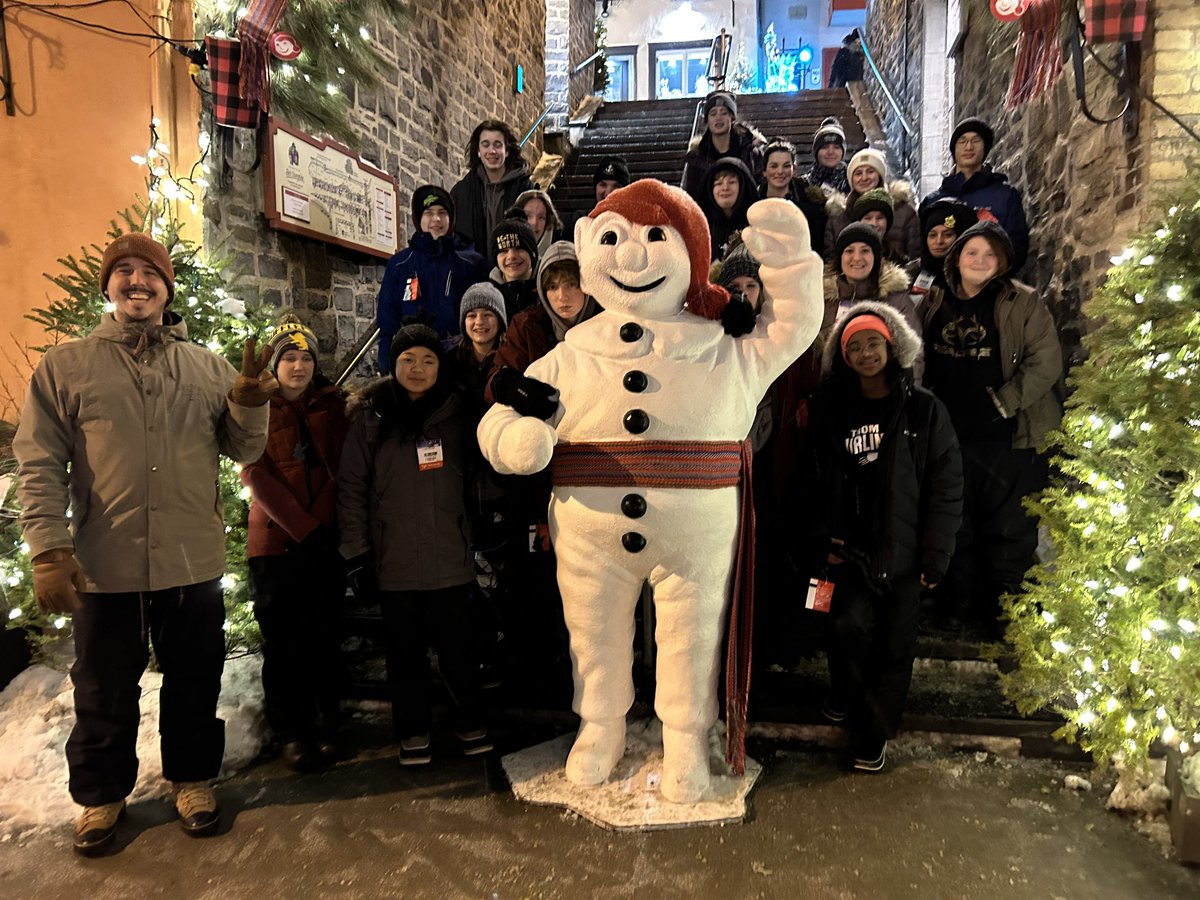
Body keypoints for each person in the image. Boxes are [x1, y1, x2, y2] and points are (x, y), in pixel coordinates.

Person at [13, 232, 273, 855]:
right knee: (102, 687)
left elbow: (244, 449)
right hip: (105, 564)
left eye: (150, 273)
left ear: (167, 289)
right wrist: (48, 549)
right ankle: (100, 795)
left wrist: (249, 405)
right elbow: (39, 461)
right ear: (108, 285)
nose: (138, 282)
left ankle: (193, 780)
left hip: (191, 559)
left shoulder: (207, 368)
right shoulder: (66, 366)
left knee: (194, 679)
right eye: (124, 271)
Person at [805, 302, 962, 771]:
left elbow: (946, 485)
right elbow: (812, 481)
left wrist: (936, 555)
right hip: (848, 552)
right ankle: (845, 693)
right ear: (843, 357)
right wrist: (821, 539)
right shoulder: (830, 409)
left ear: (892, 346)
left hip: (903, 553)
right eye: (854, 346)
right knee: (844, 628)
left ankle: (872, 734)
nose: (865, 353)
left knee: (894, 648)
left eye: (873, 342)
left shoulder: (924, 410)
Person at [338, 324, 492, 765]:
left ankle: (469, 722)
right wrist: (356, 553)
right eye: (408, 360)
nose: (418, 368)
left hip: (449, 554)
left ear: (440, 366)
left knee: (458, 649)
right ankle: (413, 729)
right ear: (394, 364)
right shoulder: (371, 419)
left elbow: (480, 478)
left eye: (428, 359)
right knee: (404, 653)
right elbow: (351, 488)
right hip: (394, 559)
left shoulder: (459, 413)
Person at [918, 220, 1061, 633]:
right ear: (956, 258)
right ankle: (956, 604)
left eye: (989, 254)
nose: (979, 260)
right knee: (954, 522)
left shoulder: (1023, 302)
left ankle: (1005, 612)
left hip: (1009, 435)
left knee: (1009, 527)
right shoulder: (933, 300)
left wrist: (1004, 402)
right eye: (971, 252)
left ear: (1002, 261)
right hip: (950, 435)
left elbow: (1046, 361)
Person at [482, 242, 601, 704]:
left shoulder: (607, 323)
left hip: (594, 465)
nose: (563, 296)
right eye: (553, 286)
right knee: (536, 576)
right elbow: (497, 379)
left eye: (571, 284)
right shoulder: (527, 326)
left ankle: (590, 678)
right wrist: (512, 387)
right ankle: (538, 671)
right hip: (537, 474)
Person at [240, 316, 349, 773]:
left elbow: (341, 466)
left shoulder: (332, 406)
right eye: (289, 357)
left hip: (323, 542)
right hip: (276, 545)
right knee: (284, 643)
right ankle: (292, 730)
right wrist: (302, 527)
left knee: (324, 636)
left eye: (306, 358)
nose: (299, 366)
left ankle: (327, 722)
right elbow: (254, 472)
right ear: (275, 364)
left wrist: (319, 527)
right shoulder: (257, 408)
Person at [376, 184, 486, 372]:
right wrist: (386, 363)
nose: (436, 219)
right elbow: (387, 316)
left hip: (458, 363)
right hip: (413, 362)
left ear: (451, 218)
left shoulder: (471, 263)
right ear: (419, 218)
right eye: (429, 213)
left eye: (442, 213)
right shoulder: (400, 264)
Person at [922, 118, 1030, 271]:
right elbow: (921, 248)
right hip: (941, 282)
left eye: (976, 141)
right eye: (962, 141)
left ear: (985, 148)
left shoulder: (1005, 196)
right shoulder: (933, 200)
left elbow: (1017, 245)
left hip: (990, 279)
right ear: (954, 149)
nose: (969, 147)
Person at [823, 223, 921, 360]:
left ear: (876, 258)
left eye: (865, 251)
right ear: (840, 258)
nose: (857, 258)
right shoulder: (822, 298)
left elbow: (913, 356)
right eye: (849, 251)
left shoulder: (897, 299)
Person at [450, 120, 535, 258]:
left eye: (498, 144)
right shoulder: (461, 192)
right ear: (478, 151)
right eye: (485, 145)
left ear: (507, 151)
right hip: (474, 268)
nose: (492, 151)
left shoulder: (525, 189)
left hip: (514, 265)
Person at [824, 148, 920, 260]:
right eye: (858, 173)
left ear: (880, 175)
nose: (864, 178)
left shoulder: (904, 211)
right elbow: (831, 260)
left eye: (870, 172)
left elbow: (915, 257)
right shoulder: (838, 216)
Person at [682, 90, 765, 201]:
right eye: (713, 114)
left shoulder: (751, 152)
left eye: (724, 113)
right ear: (707, 120)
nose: (718, 118)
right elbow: (692, 196)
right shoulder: (697, 158)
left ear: (732, 118)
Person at [759, 138, 828, 256]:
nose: (780, 171)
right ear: (764, 171)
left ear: (794, 169)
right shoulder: (753, 203)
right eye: (774, 166)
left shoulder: (811, 208)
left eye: (786, 166)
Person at [906, 198, 979, 299]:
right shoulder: (910, 274)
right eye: (932, 235)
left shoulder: (974, 274)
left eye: (947, 235)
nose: (939, 241)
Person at [700, 156, 758, 260]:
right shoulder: (703, 228)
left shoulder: (757, 225)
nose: (725, 188)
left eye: (731, 182)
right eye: (718, 183)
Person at [487, 215, 541, 322]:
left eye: (519, 248)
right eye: (504, 251)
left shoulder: (548, 288)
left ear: (533, 253)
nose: (511, 256)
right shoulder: (488, 296)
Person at [562, 155, 630, 237]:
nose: (609, 192)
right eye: (603, 185)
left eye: (616, 186)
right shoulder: (579, 220)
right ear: (595, 188)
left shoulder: (634, 224)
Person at [514, 188, 562, 261]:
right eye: (527, 216)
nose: (534, 222)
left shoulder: (557, 259)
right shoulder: (505, 257)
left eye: (541, 217)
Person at [807, 117, 850, 194]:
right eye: (824, 147)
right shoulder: (803, 185)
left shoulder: (854, 182)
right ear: (816, 151)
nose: (830, 152)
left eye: (836, 147)